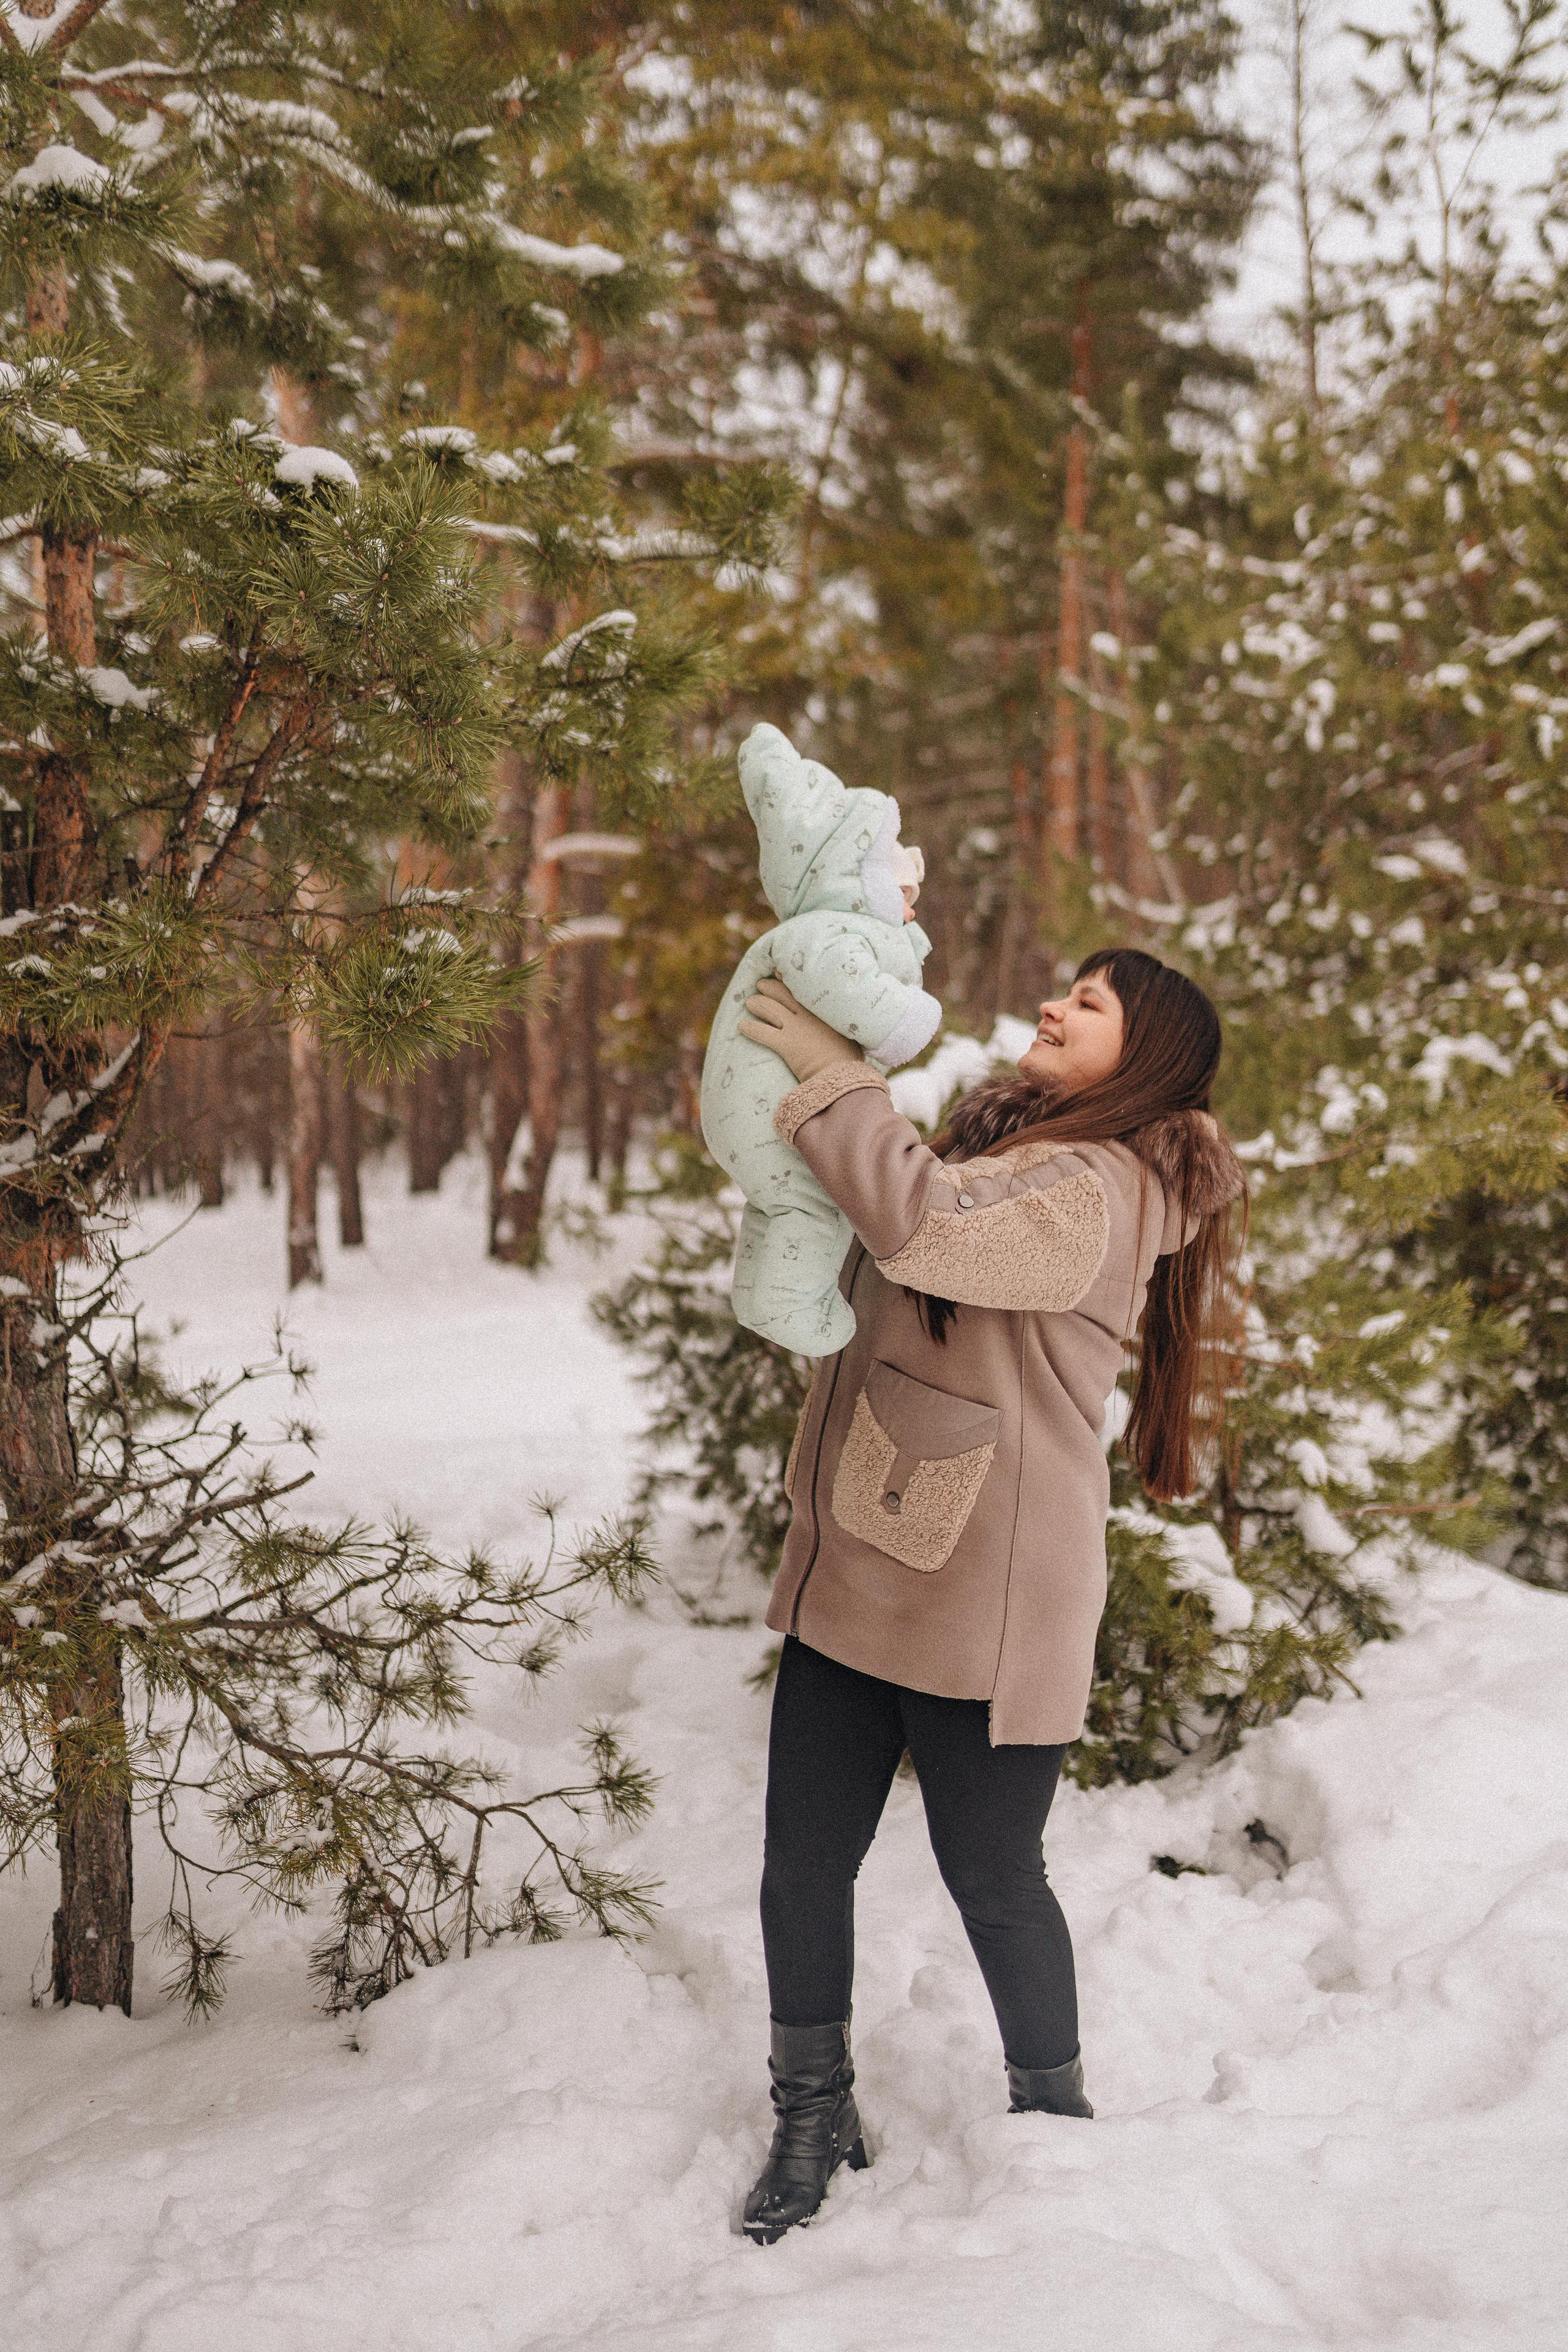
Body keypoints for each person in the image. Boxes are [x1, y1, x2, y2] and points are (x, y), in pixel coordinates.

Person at [732, 946, 1247, 2245]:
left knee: (993, 1874)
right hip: (870, 1548)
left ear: (1146, 1057)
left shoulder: (1094, 1187)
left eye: (1092, 1002)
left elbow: (927, 1228)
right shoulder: (1016, 1146)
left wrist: (829, 1074)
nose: (1055, 1005)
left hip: (993, 1592)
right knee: (800, 1864)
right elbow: (881, 1208)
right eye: (1063, 986)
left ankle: (1052, 2117)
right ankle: (809, 2113)